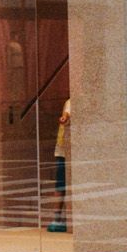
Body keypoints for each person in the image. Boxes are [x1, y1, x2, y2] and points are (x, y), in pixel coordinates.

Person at [48, 97, 72, 233]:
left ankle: (58, 217)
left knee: (61, 183)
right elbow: (66, 114)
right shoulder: (70, 102)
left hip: (65, 149)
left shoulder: (71, 101)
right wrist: (64, 117)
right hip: (63, 149)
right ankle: (57, 217)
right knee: (60, 183)